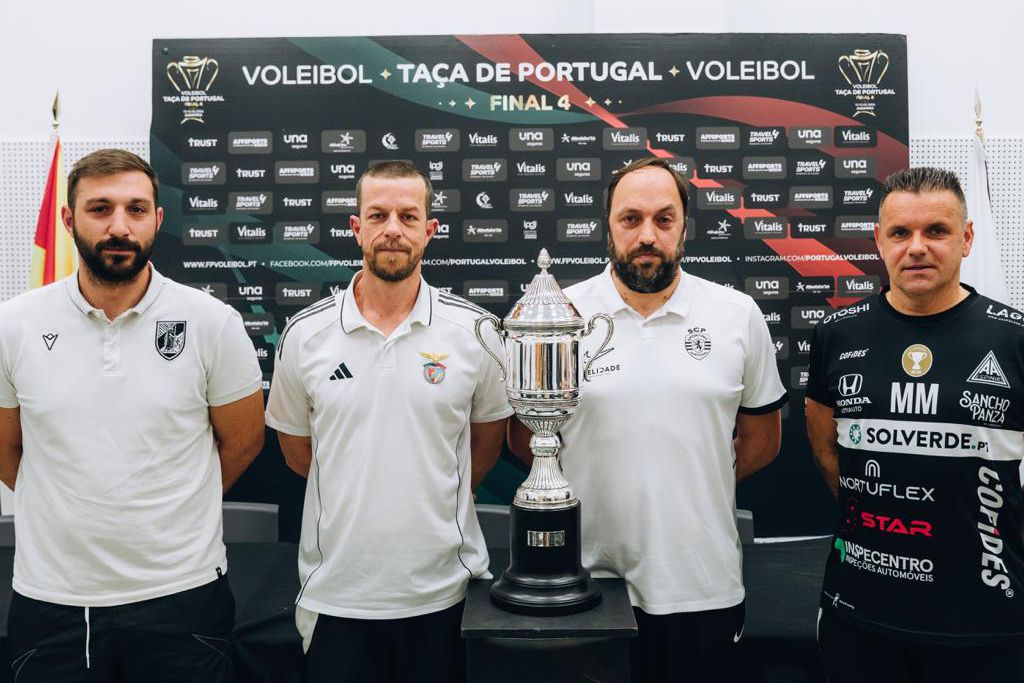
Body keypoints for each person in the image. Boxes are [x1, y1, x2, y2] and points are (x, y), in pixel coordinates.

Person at [509, 156, 787, 682]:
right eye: (630, 219)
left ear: (684, 227)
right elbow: (527, 440)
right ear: (608, 227)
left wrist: (694, 479)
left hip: (702, 583)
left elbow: (760, 441)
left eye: (664, 219)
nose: (647, 235)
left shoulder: (736, 314)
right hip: (587, 582)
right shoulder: (560, 315)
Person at [0, 148, 265, 682]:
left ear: (157, 220)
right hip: (52, 600)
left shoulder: (212, 322)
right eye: (100, 209)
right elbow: (7, 449)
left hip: (183, 595)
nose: (119, 226)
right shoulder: (14, 325)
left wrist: (165, 510)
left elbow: (242, 443)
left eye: (136, 209)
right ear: (69, 219)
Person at [265, 160, 511, 682]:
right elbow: (298, 453)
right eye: (377, 215)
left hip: (446, 592)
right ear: (356, 228)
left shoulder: (476, 332)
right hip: (338, 595)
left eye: (407, 215)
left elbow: (486, 444)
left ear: (430, 230)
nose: (392, 229)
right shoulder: (305, 335)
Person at [806, 166, 1024, 681]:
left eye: (937, 231)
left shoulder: (1013, 341)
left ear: (967, 239)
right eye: (901, 233)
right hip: (861, 615)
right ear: (879, 241)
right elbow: (826, 448)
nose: (917, 247)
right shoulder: (837, 334)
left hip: (986, 622)